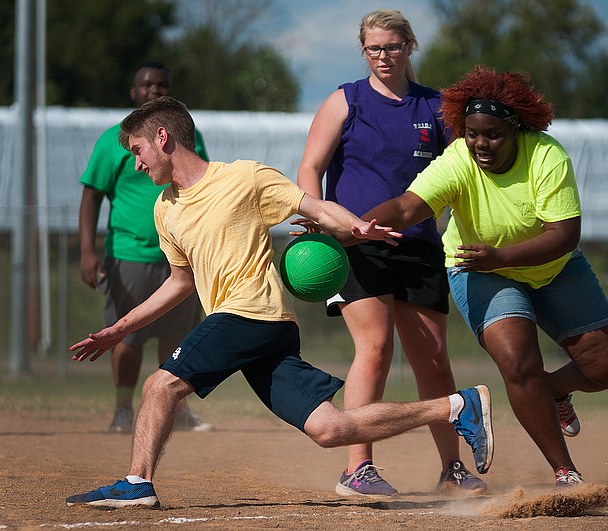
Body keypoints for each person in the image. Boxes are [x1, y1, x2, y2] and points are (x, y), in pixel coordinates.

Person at [65, 96, 493, 509]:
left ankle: (138, 482)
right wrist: (119, 329)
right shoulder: (165, 208)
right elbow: (181, 282)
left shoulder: (244, 177)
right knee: (330, 428)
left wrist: (358, 227)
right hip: (256, 330)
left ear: (162, 138)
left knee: (160, 385)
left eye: (138, 151)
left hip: (251, 313)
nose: (136, 164)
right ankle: (456, 406)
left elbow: (316, 207)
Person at [361, 66, 608, 487]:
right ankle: (566, 472)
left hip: (552, 267)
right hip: (479, 269)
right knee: (518, 362)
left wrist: (501, 255)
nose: (480, 144)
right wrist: (357, 227)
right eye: (472, 133)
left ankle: (553, 392)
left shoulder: (546, 155)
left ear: (516, 129)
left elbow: (565, 234)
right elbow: (405, 206)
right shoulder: (458, 160)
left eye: (493, 134)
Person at [296, 9, 484, 498]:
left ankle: (453, 471)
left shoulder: (437, 106)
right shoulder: (345, 99)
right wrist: (321, 218)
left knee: (434, 361)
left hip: (419, 246)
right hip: (358, 245)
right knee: (375, 348)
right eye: (374, 48)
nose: (383, 56)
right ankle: (358, 468)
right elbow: (310, 167)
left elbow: (468, 170)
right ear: (364, 51)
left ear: (409, 47)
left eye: (392, 47)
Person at [78, 61, 212, 434]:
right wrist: (88, 251)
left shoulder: (188, 135)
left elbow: (201, 182)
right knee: (128, 335)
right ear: (134, 93)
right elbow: (91, 196)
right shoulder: (114, 140)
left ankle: (177, 410)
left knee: (178, 337)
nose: (155, 90)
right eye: (147, 85)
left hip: (181, 255)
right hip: (130, 254)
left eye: (163, 85)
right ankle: (123, 409)